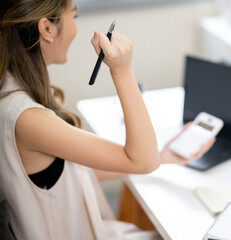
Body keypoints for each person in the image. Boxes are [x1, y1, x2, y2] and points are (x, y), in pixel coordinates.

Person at [0, 0, 215, 239]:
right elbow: (144, 161)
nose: (76, 27)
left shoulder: (13, 90)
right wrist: (122, 71)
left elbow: (66, 168)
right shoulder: (29, 118)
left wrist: (162, 156)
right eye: (75, 15)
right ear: (47, 29)